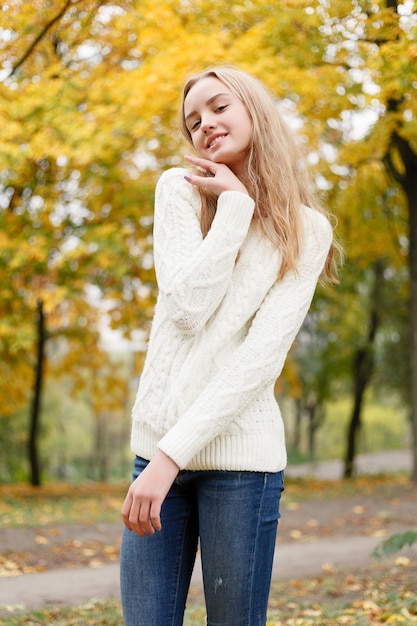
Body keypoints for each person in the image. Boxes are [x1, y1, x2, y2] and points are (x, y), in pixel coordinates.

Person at [120, 65, 340, 626]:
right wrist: (234, 210)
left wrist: (171, 456)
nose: (205, 125)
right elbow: (189, 309)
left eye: (218, 107)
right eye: (193, 121)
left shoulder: (307, 230)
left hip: (243, 465)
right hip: (156, 460)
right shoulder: (178, 190)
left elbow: (258, 362)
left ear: (253, 110)